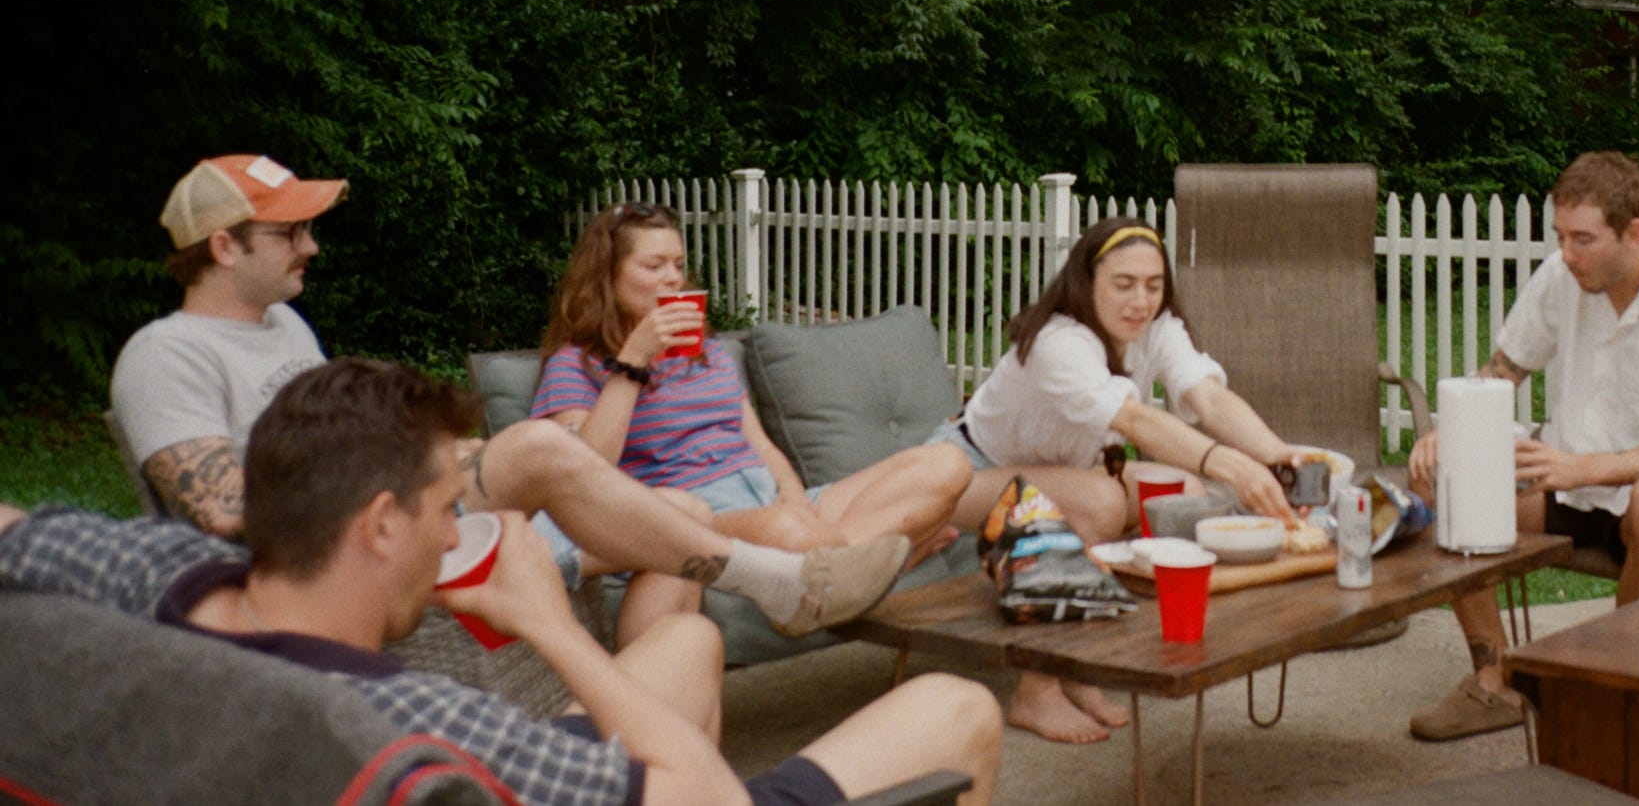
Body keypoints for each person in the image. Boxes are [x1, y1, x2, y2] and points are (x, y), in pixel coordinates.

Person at [2, 358, 1003, 806]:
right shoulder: (420, 733)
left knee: (687, 640)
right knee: (954, 707)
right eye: (447, 508)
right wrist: (549, 623)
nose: (458, 531)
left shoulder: (157, 575)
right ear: (379, 525)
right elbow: (706, 798)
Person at [111, 155, 910, 644]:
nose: (311, 245)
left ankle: (657, 698)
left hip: (396, 503)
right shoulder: (164, 354)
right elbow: (221, 509)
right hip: (340, 544)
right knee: (536, 445)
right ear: (225, 245)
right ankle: (777, 580)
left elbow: (335, 441)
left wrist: (431, 454)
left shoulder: (284, 327)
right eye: (290, 233)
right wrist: (401, 478)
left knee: (682, 509)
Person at [1403, 151, 1639, 741]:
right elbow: (1504, 370)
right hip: (1568, 486)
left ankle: (1620, 692)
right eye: (1560, 236)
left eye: (1582, 239)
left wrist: (1587, 467)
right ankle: (1496, 681)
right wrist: (1450, 431)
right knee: (1440, 482)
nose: (1565, 253)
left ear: (1633, 234)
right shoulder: (1563, 278)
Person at [931, 215, 1306, 744]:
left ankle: (1084, 661)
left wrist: (1280, 459)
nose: (1140, 301)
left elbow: (1208, 399)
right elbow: (1134, 421)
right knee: (1100, 503)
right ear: (1086, 283)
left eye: (1153, 285)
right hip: (966, 472)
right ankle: (1036, 689)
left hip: (1062, 473)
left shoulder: (1157, 328)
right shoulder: (1059, 341)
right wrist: (1230, 464)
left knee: (1182, 492)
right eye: (1123, 284)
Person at [536, 204, 969, 566]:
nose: (673, 278)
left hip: (766, 498)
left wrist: (794, 495)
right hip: (696, 520)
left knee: (945, 464)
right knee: (792, 532)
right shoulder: (574, 364)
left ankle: (839, 565)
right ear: (607, 277)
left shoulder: (705, 351)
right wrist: (634, 359)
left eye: (679, 265)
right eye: (654, 265)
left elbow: (758, 443)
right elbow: (585, 477)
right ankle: (879, 558)